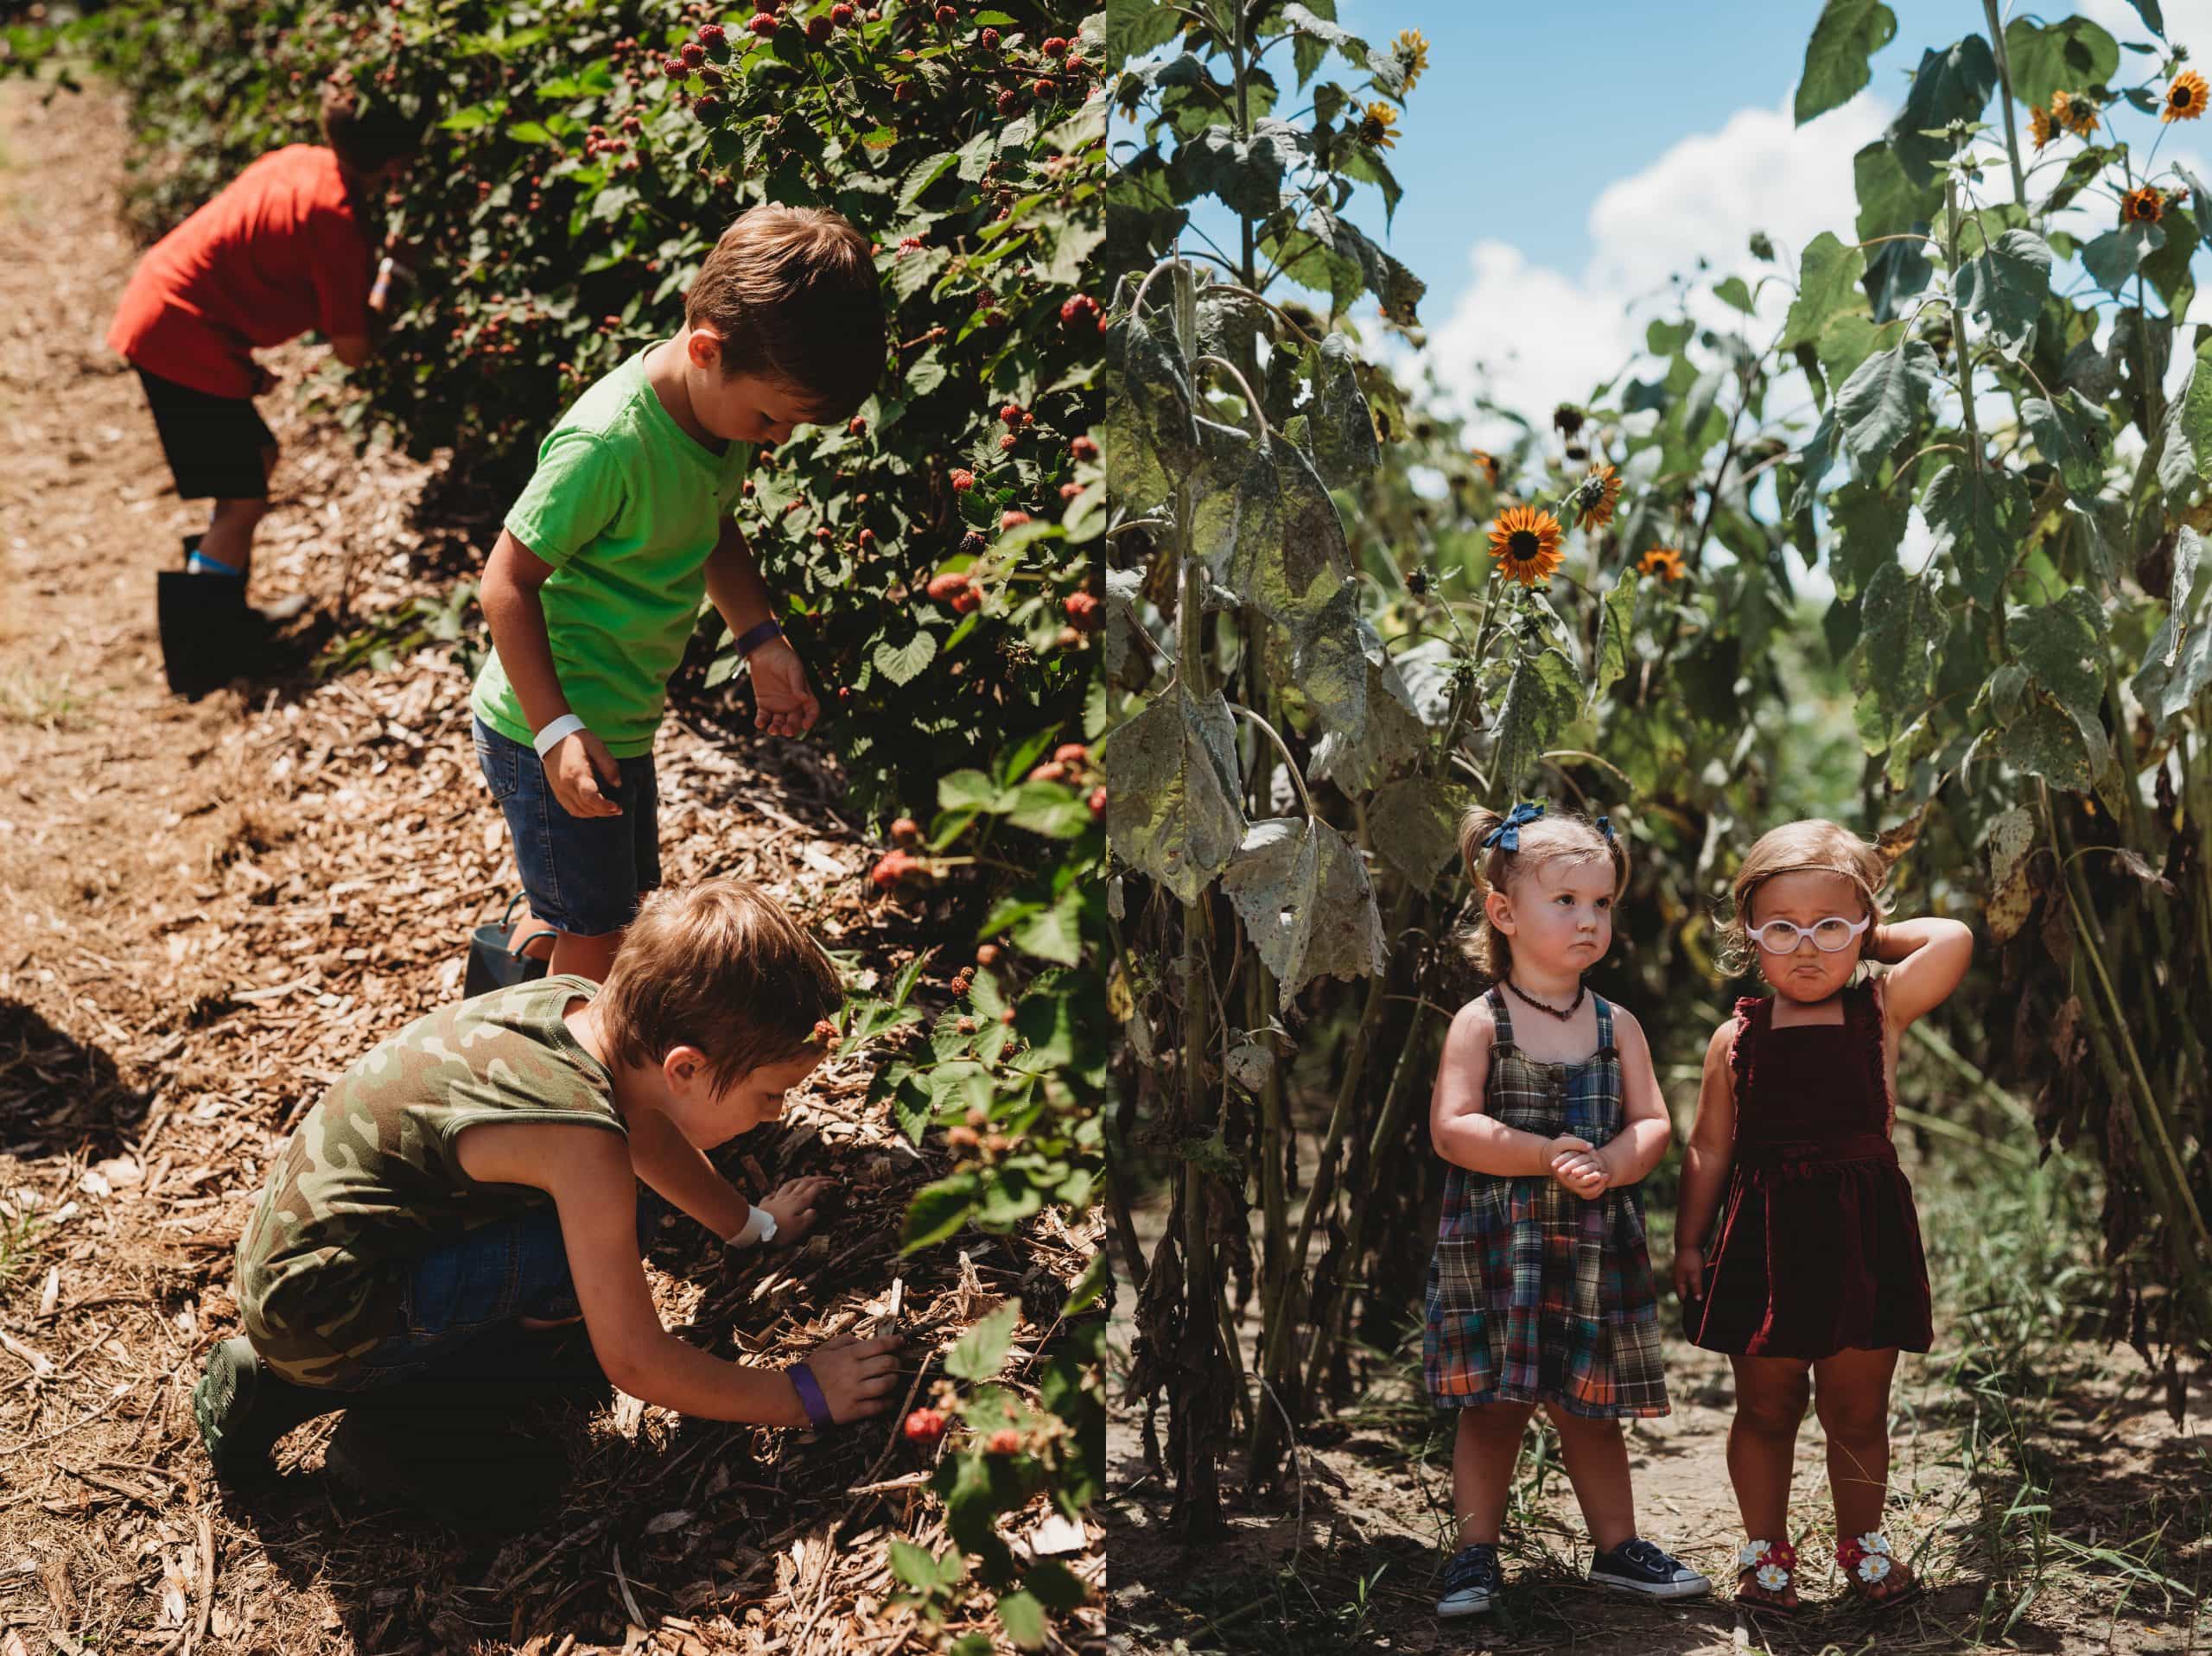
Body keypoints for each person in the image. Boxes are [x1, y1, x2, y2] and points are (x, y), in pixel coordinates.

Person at [192, 879, 903, 1503]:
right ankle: (401, 1427)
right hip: (324, 1310)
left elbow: (647, 1131)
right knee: (599, 1239)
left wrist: (749, 1227)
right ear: (685, 1067)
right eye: (770, 1094)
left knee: (612, 1217)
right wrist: (803, 1395)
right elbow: (636, 1360)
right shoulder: (582, 1141)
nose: (777, 1113)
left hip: (307, 1274)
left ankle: (286, 1382)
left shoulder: (583, 1009)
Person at [469, 204, 883, 985]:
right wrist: (556, 730)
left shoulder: (713, 425)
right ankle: (565, 1085)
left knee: (602, 900)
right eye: (771, 416)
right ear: (706, 350)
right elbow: (505, 582)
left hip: (615, 719)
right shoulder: (610, 443)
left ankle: (508, 985)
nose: (775, 440)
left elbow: (712, 525)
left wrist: (760, 637)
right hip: (548, 724)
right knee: (602, 938)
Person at [1674, 820, 1973, 1612]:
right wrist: (1688, 1241)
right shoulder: (1735, 1038)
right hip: (1764, 1241)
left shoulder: (1882, 1007)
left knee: (1857, 1406)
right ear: (1748, 935)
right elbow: (1707, 1147)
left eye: (1830, 927)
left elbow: (1954, 935)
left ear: (1866, 931)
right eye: (1782, 928)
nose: (1806, 947)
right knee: (1766, 1406)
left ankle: (1863, 1548)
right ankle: (1765, 1554)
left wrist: (1869, 938)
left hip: (1859, 1238)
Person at [1424, 803, 1709, 1618]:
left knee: (1592, 1407)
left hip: (1589, 1245)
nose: (1589, 920)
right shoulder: (1482, 1022)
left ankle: (1617, 1548)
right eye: (1567, 901)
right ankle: (1475, 1554)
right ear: (1503, 912)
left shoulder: (1617, 1025)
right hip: (1501, 1247)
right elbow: (1454, 1128)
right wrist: (1545, 1153)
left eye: (1603, 903)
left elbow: (1652, 1120)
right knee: (1493, 1407)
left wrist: (1615, 1163)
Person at [107, 75, 427, 695]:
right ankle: (203, 661)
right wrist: (397, 274)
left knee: (254, 461)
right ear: (395, 161)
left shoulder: (302, 162)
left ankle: (227, 617)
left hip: (168, 309)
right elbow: (355, 350)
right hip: (177, 333)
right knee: (243, 501)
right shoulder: (334, 218)